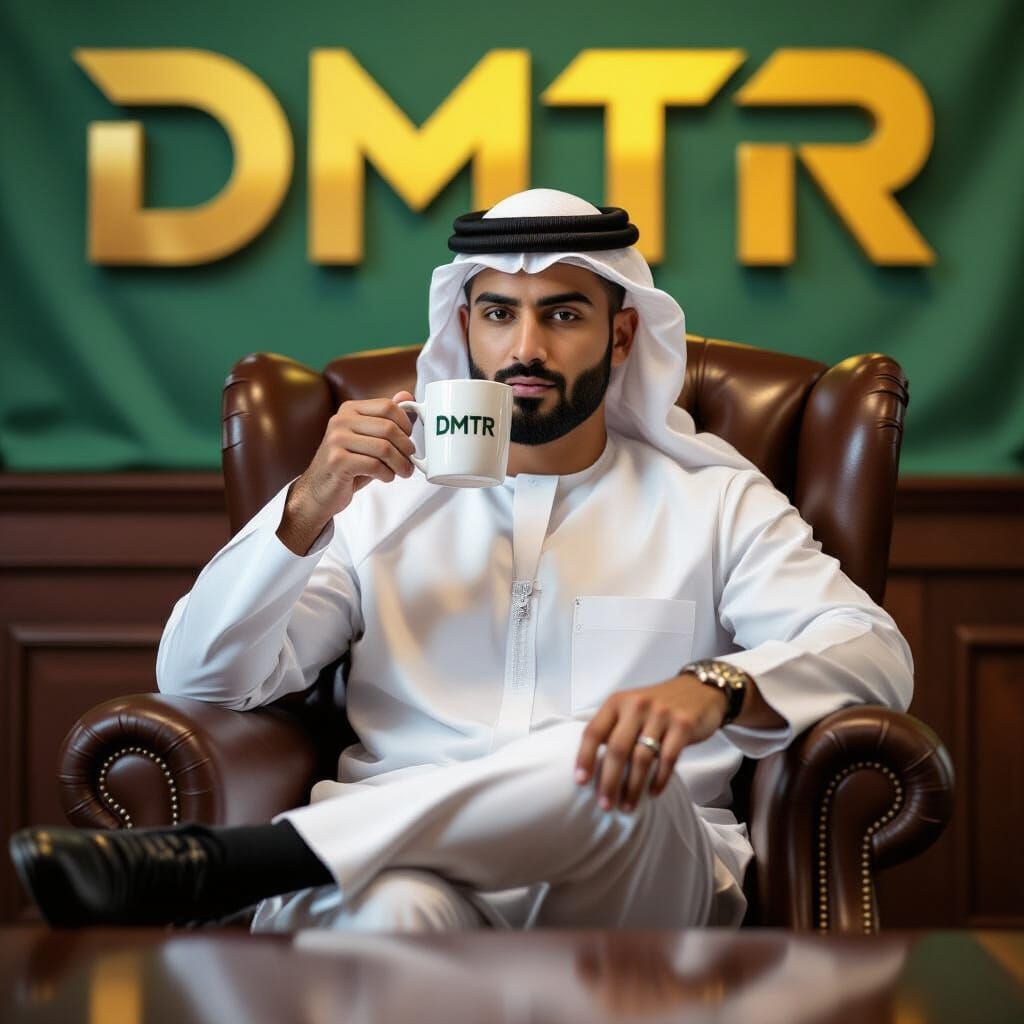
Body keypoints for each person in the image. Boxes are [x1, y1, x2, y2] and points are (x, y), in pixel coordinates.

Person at [9, 188, 914, 931]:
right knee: (390, 915)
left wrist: (715, 686)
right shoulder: (382, 503)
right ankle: (314, 863)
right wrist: (308, 507)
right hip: (412, 874)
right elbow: (202, 674)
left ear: (622, 336)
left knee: (608, 771)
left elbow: (874, 653)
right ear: (466, 332)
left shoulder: (713, 501)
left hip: (633, 874)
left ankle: (248, 865)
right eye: (499, 314)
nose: (526, 348)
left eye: (562, 314)